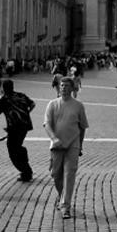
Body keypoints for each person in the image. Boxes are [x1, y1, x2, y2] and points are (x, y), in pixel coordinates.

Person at [44, 77, 88, 219]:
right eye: (62, 85)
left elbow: (82, 127)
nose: (63, 88)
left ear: (72, 88)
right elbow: (47, 125)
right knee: (56, 175)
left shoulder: (78, 105)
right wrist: (54, 138)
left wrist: (80, 144)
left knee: (69, 174)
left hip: (73, 145)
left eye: (67, 86)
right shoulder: (52, 104)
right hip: (56, 145)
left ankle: (65, 206)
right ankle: (61, 195)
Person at [0, 79, 36, 182]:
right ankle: (25, 165)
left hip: (14, 128)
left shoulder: (3, 100)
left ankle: (26, 171)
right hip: (25, 126)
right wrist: (25, 113)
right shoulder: (21, 95)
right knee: (16, 147)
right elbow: (32, 104)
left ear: (3, 88)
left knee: (12, 150)